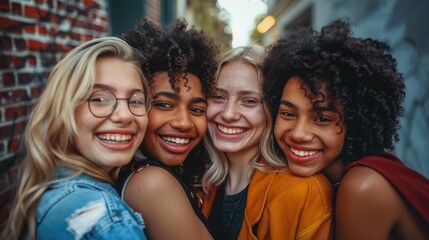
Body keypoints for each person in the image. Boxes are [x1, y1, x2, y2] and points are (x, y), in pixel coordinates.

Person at [263, 18, 429, 239]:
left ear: (356, 121)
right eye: (287, 114)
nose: (298, 133)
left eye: (322, 118)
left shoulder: (362, 186)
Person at [0, 37, 151, 240]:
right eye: (99, 99)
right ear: (64, 110)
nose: (125, 115)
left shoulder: (52, 188)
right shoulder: (108, 222)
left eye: (135, 100)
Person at [200, 46, 333, 240]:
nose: (229, 114)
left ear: (272, 110)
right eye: (218, 97)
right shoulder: (204, 186)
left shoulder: (305, 191)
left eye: (249, 101)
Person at [116, 18, 218, 239]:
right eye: (164, 104)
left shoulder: (150, 171)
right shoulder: (152, 184)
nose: (184, 122)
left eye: (197, 109)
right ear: (137, 105)